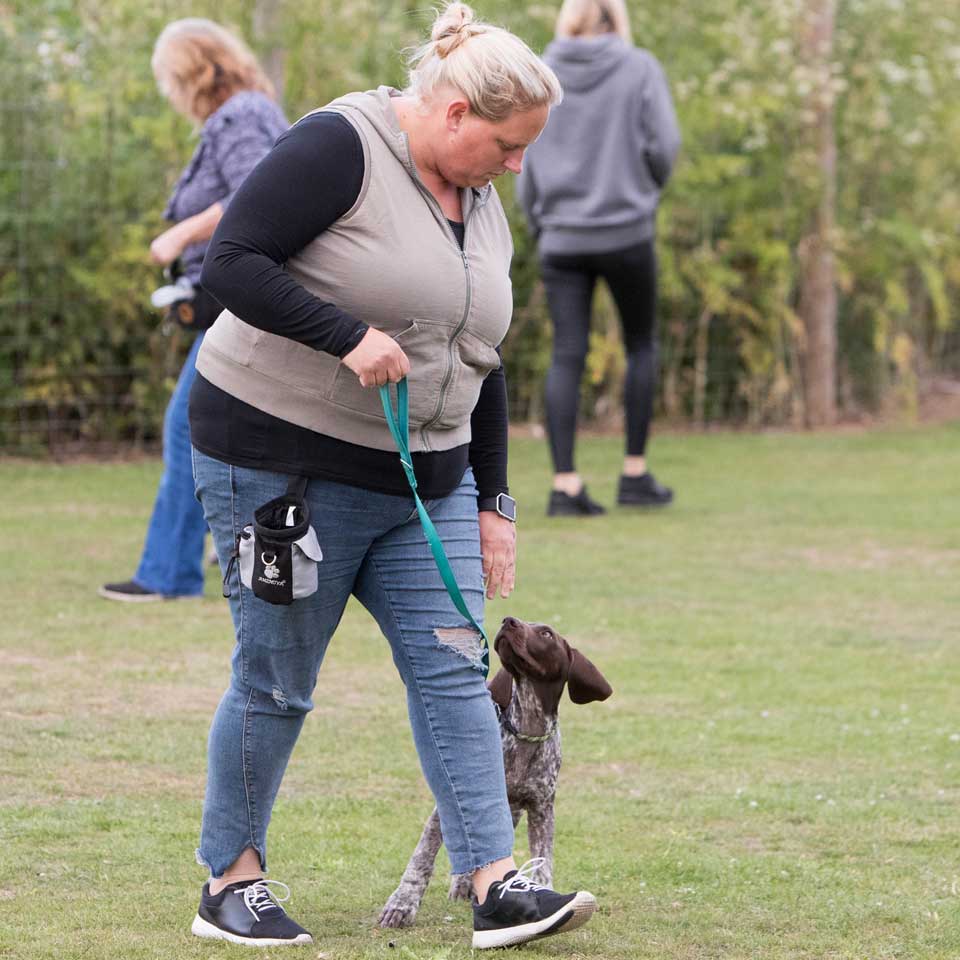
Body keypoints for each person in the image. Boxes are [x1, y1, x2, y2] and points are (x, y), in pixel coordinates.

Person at [186, 3, 598, 950]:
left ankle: (495, 881)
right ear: (454, 114)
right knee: (277, 680)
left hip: (427, 479)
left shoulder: (481, 196)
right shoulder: (342, 146)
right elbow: (231, 262)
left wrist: (493, 498)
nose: (517, 167)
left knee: (455, 672)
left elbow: (480, 351)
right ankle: (230, 881)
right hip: (279, 461)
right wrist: (344, 334)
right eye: (507, 144)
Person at [99, 18, 288, 601]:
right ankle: (244, 546)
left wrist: (183, 234)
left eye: (166, 80)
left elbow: (258, 188)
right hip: (236, 301)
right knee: (231, 429)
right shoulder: (243, 116)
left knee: (187, 426)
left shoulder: (240, 117)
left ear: (190, 74)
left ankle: (169, 573)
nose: (167, 94)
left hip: (244, 300)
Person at [516, 0, 681, 516]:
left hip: (561, 237)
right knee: (641, 345)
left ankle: (565, 485)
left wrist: (540, 217)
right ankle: (634, 474)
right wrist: (643, 190)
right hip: (627, 231)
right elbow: (666, 145)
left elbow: (525, 151)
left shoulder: (540, 70)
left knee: (567, 353)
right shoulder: (638, 67)